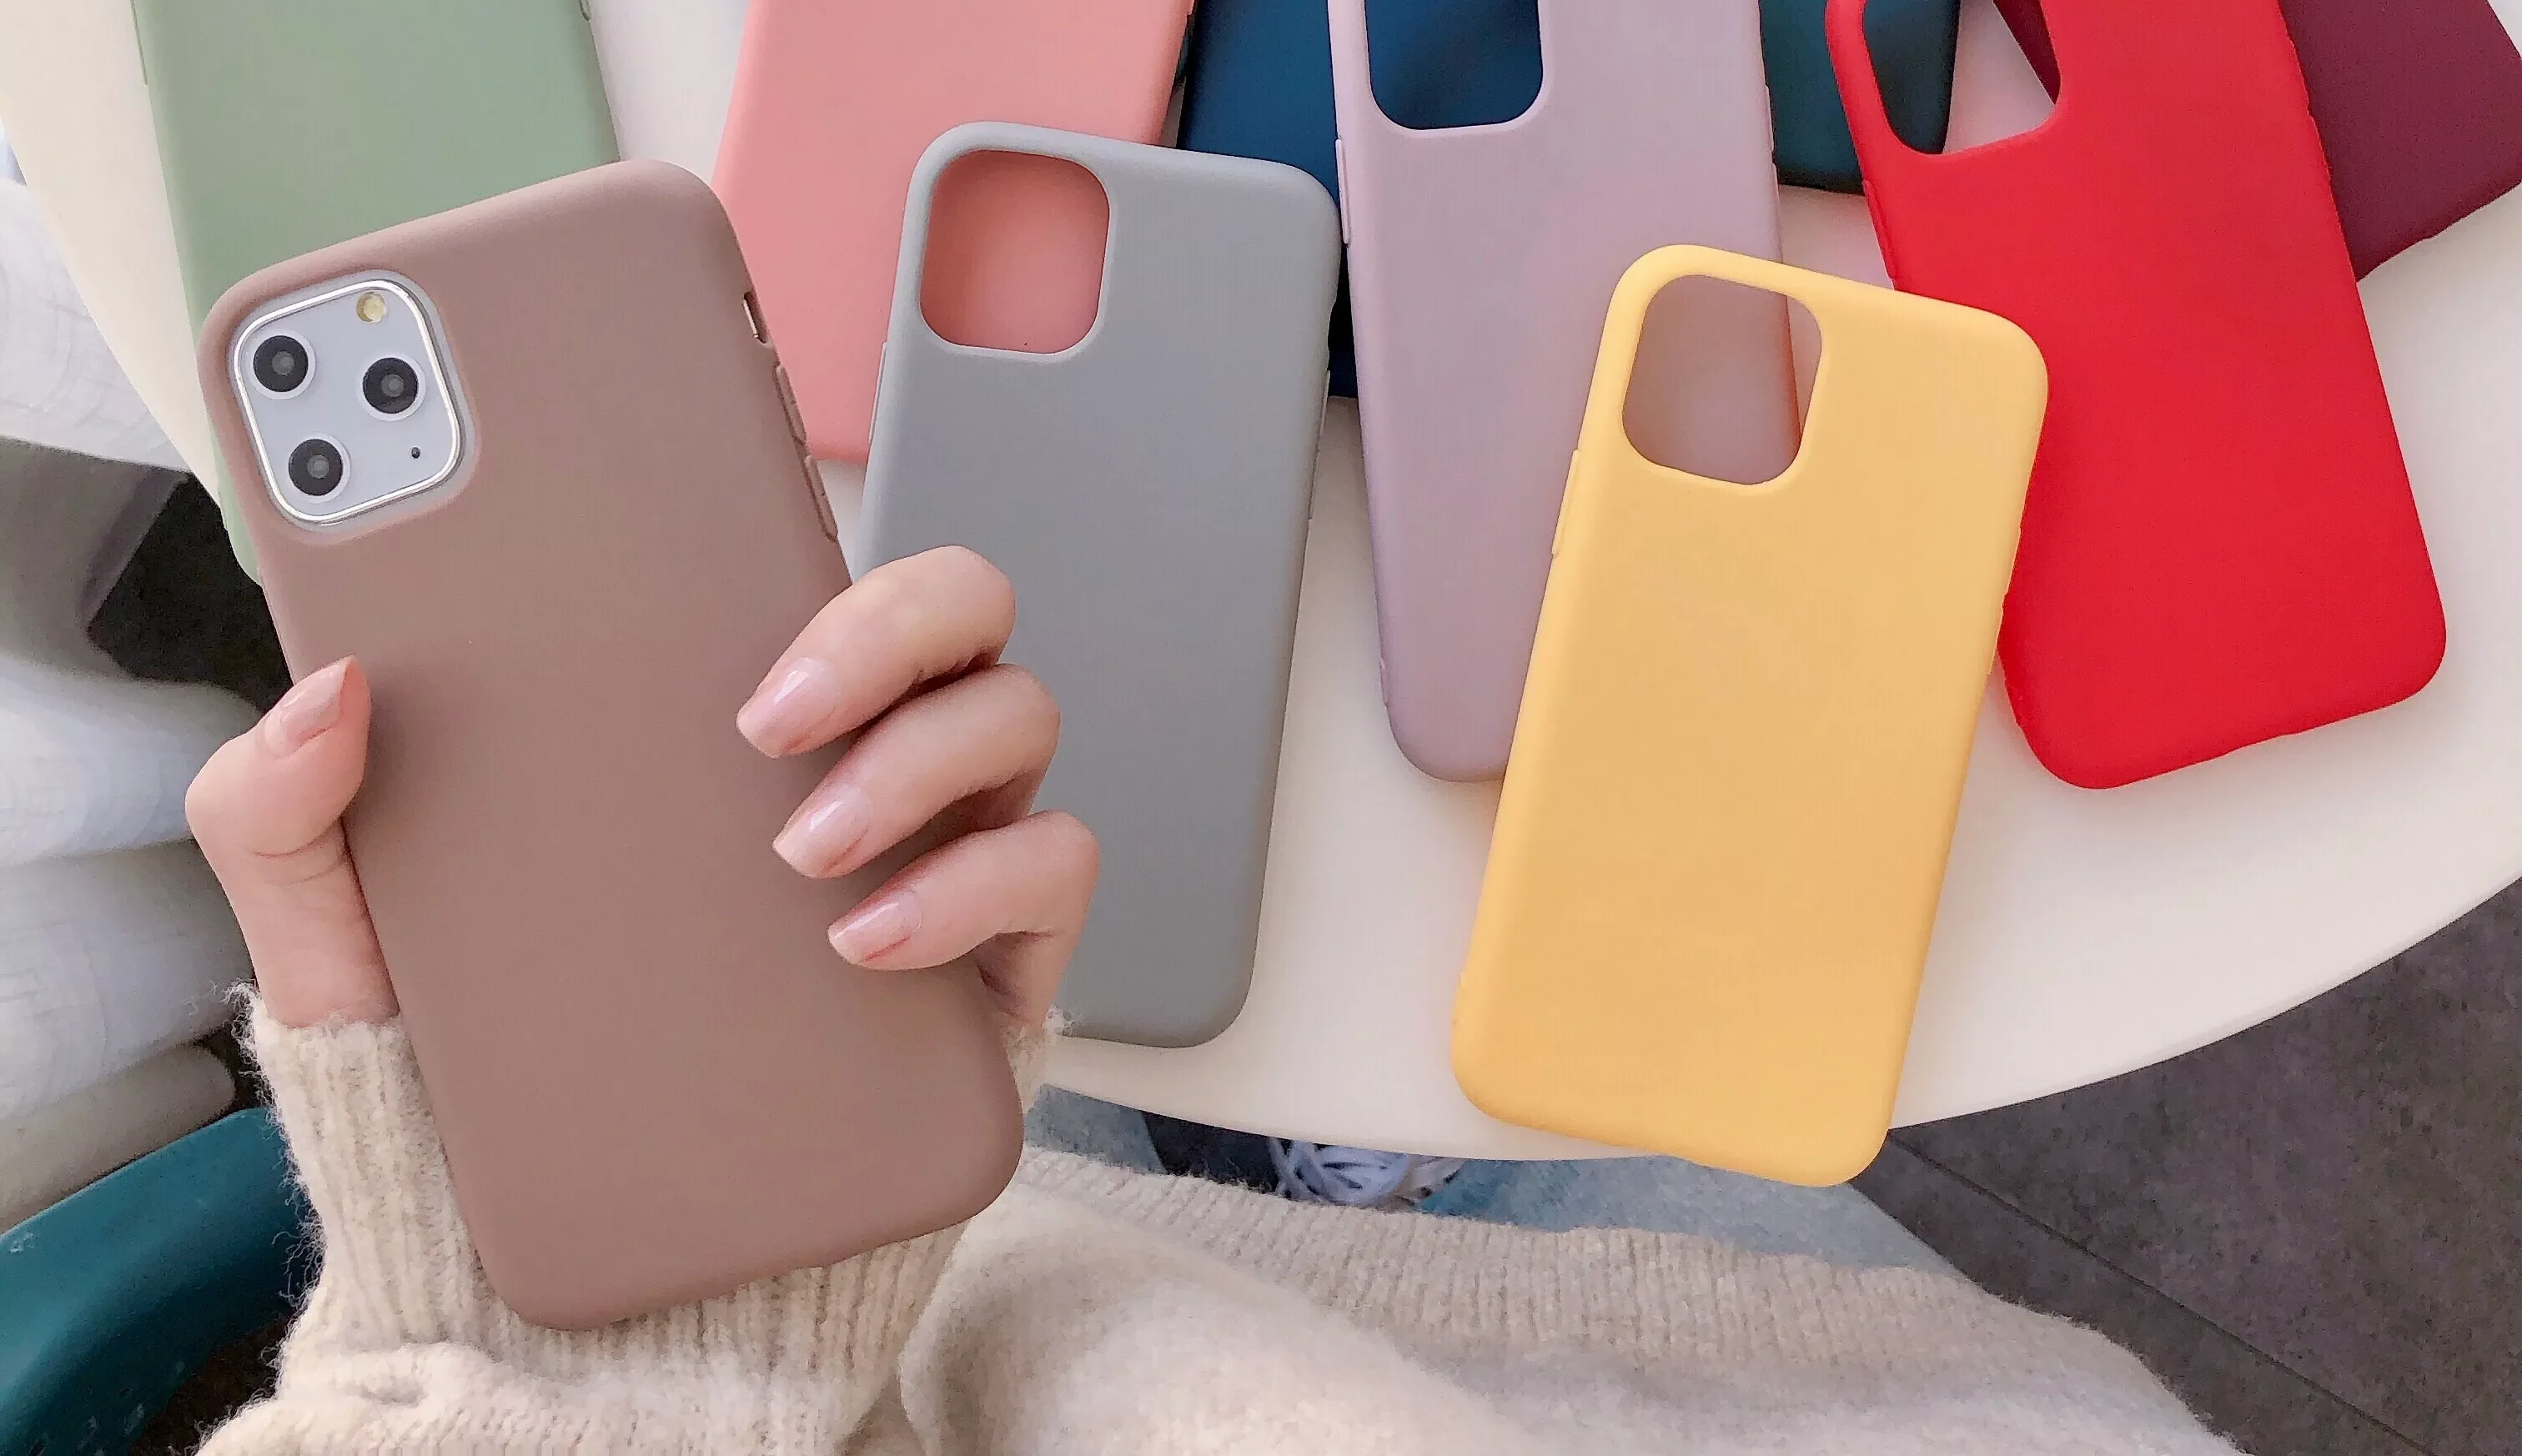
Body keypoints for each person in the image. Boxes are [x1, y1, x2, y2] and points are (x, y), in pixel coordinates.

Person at [187, 547, 2230, 1452]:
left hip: (927, 1309)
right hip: (1776, 1387)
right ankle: (1366, 1176)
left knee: (968, 900)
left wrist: (566, 1363)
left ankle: (1322, 1170)